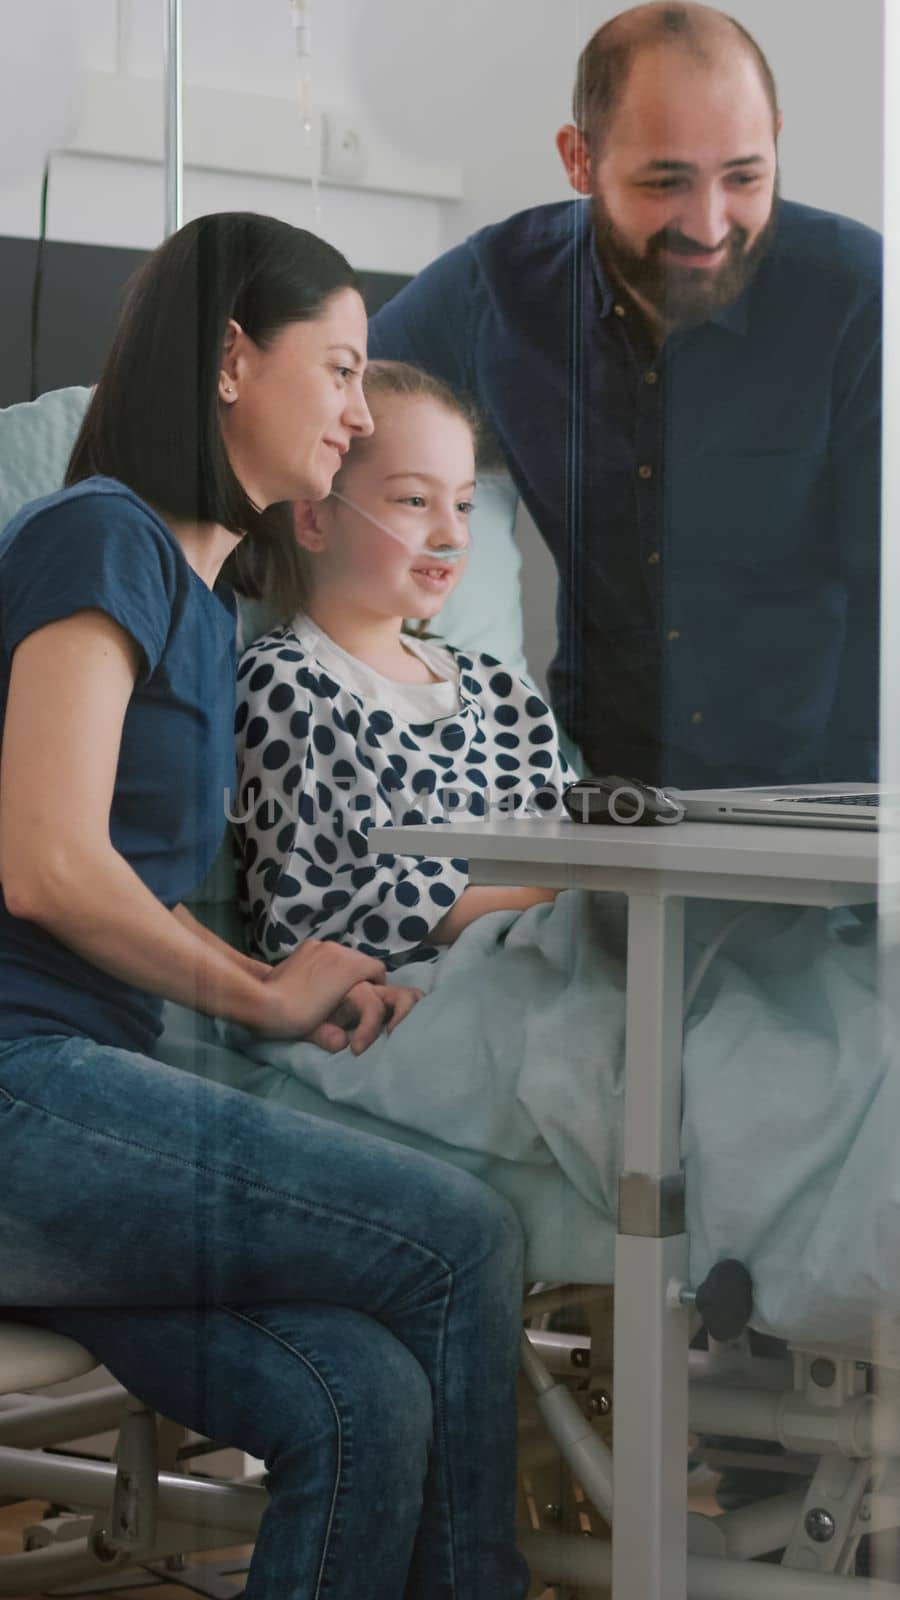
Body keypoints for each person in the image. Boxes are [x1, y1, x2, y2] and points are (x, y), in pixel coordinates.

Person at [0, 213, 530, 1599]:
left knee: (362, 1401)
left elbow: (114, 888)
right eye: (344, 369)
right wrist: (263, 995)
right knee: (463, 1235)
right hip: (18, 1095)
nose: (360, 418)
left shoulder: (198, 593)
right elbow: (44, 864)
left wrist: (299, 972)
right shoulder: (97, 536)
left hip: (83, 1110)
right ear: (234, 358)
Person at [369, 0, 882, 790]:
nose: (709, 226)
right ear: (580, 161)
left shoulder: (859, 298)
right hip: (599, 791)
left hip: (827, 797)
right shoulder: (495, 292)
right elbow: (340, 407)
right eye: (664, 183)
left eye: (745, 177)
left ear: (776, 138)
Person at [233, 359, 568, 969]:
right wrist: (543, 899)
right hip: (411, 992)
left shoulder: (500, 691)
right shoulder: (290, 684)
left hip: (553, 954)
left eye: (463, 506)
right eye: (415, 499)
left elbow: (575, 843)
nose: (451, 534)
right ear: (314, 517)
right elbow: (310, 913)